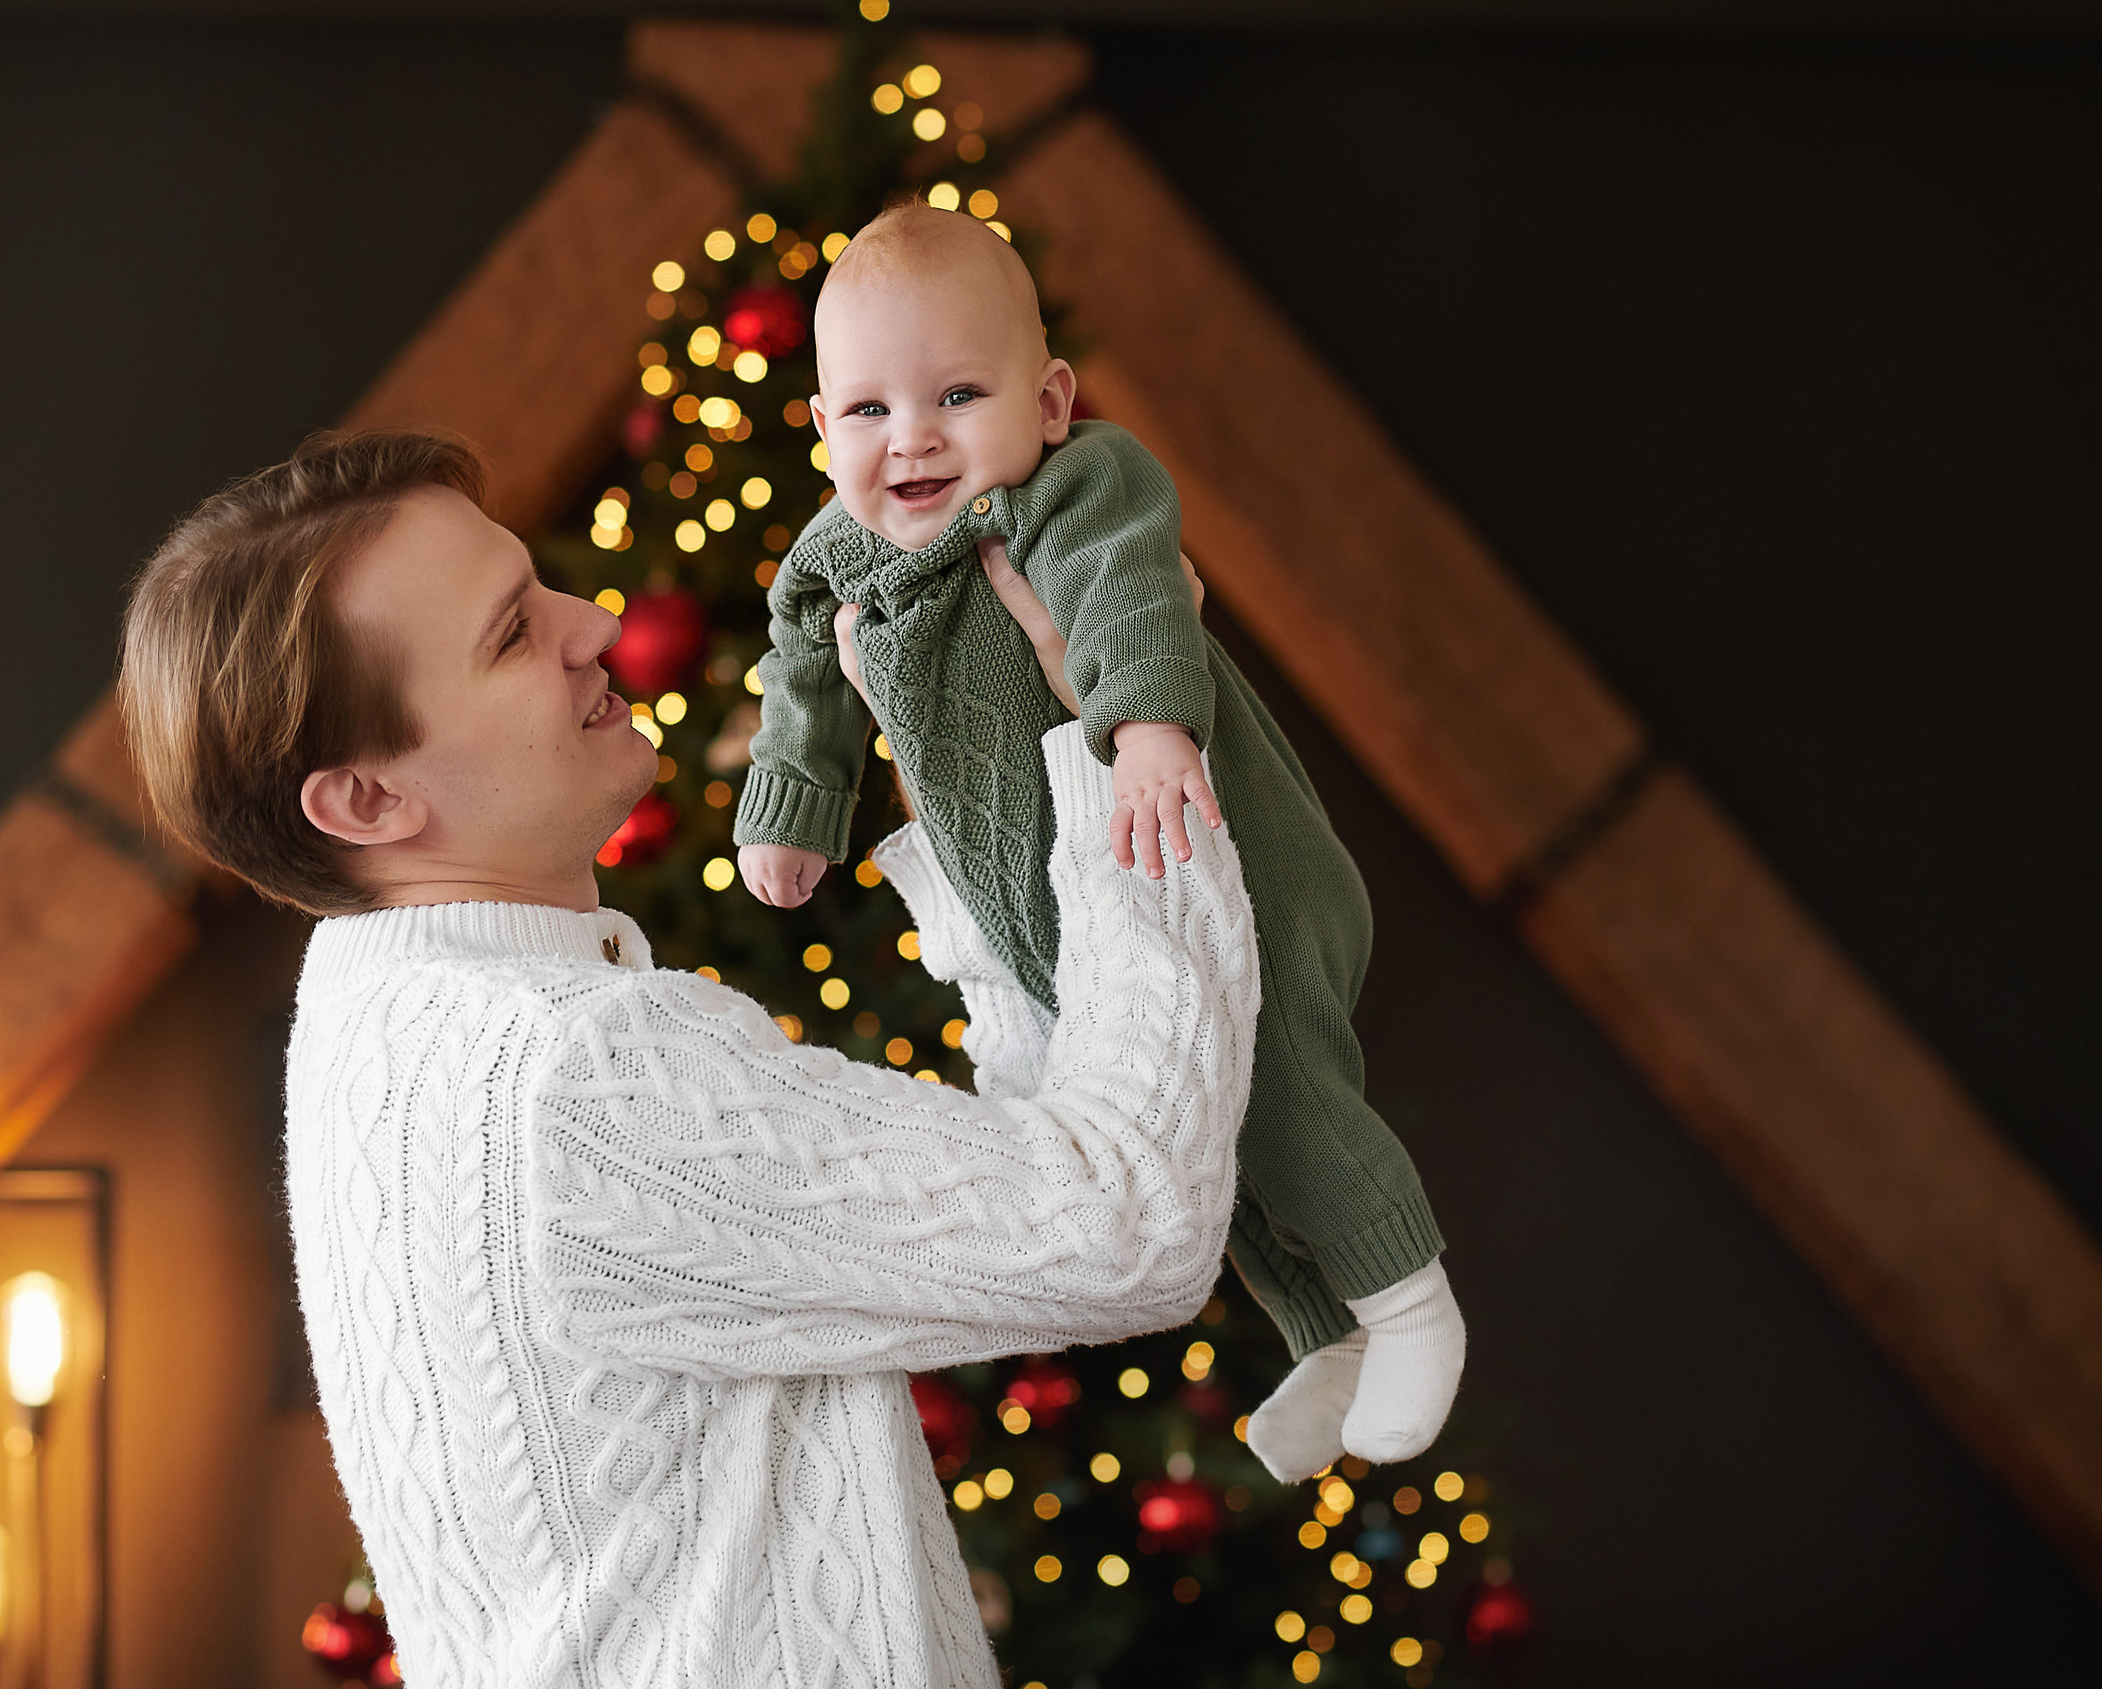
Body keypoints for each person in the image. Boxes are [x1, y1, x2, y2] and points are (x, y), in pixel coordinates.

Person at [118, 428, 1260, 1689]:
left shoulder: (368, 1017)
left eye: (536, 581)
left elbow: (1038, 1182)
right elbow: (1127, 1222)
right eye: (509, 634)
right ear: (367, 801)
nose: (595, 620)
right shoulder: (573, 1073)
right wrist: (1131, 744)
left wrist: (963, 784)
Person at [732, 202, 1465, 1480]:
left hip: (1208, 839)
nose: (911, 438)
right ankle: (1326, 1333)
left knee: (1277, 1080)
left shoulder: (1074, 487)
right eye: (867, 411)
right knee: (1202, 1123)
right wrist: (797, 802)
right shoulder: (835, 556)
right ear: (819, 425)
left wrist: (1147, 726)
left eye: (958, 393)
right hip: (1071, 898)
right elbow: (800, 668)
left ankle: (1411, 1301)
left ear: (1049, 397)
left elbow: (1128, 591)